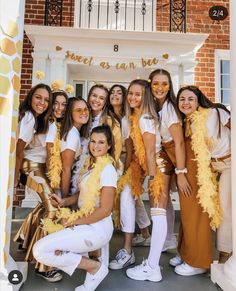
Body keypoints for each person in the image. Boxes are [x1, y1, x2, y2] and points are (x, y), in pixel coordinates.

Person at [33, 125, 117, 291]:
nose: (96, 145)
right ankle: (90, 261)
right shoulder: (91, 166)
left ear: (109, 146)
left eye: (101, 142)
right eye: (93, 141)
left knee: (40, 251)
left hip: (97, 229)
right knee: (47, 248)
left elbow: (105, 210)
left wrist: (73, 221)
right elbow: (82, 194)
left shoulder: (108, 170)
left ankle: (94, 267)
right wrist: (64, 202)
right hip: (85, 224)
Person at [174, 85, 231, 275]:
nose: (186, 102)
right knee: (212, 208)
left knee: (226, 209)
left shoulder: (214, 112)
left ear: (199, 100)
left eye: (191, 98)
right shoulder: (188, 122)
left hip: (230, 163)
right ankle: (205, 255)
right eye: (182, 99)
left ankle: (224, 259)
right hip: (212, 167)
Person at [13, 83, 62, 282]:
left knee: (45, 206)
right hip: (31, 166)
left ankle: (25, 239)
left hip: (38, 166)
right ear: (31, 97)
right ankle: (43, 266)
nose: (42, 103)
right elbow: (18, 149)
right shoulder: (29, 117)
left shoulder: (40, 119)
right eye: (38, 98)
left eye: (46, 100)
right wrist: (16, 175)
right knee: (52, 208)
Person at [124, 79, 166, 282]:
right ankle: (153, 264)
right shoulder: (139, 116)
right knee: (161, 213)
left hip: (157, 167)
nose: (132, 97)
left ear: (146, 96)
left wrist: (151, 176)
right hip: (155, 166)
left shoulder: (146, 118)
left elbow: (150, 150)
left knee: (158, 214)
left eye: (137, 94)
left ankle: (152, 267)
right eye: (130, 93)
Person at [108, 84, 151, 270]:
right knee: (134, 198)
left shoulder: (127, 119)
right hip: (112, 163)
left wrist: (125, 173)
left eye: (120, 92)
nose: (115, 95)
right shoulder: (107, 116)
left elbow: (131, 149)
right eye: (112, 92)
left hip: (129, 163)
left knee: (128, 195)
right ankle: (145, 233)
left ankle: (127, 250)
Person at [149, 69, 191, 252]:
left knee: (185, 203)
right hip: (168, 154)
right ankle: (169, 240)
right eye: (155, 83)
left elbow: (180, 142)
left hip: (179, 155)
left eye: (164, 84)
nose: (159, 88)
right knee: (167, 201)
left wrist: (181, 172)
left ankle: (188, 252)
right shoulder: (156, 106)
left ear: (170, 86)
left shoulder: (169, 108)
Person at [60, 97, 91, 198]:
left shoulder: (75, 132)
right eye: (78, 110)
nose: (84, 112)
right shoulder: (72, 136)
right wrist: (65, 200)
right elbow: (65, 169)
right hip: (61, 189)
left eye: (86, 109)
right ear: (70, 113)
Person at [87, 84, 122, 165]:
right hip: (82, 167)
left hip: (100, 168)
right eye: (94, 95)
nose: (96, 100)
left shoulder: (112, 123)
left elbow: (116, 150)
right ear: (89, 97)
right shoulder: (83, 117)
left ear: (105, 102)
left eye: (101, 98)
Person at [46, 90, 68, 194]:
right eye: (56, 103)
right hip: (47, 173)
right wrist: (52, 179)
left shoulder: (59, 125)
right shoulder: (51, 125)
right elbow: (50, 154)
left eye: (63, 104)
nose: (60, 108)